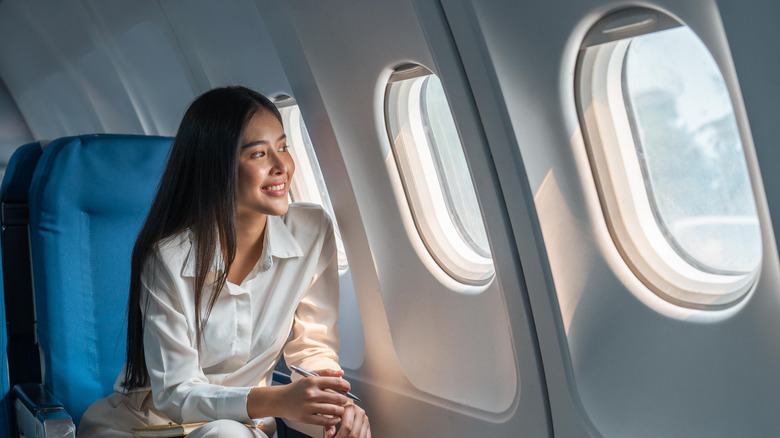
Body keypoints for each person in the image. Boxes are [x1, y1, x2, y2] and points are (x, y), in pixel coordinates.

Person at [78, 86, 370, 438]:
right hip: (149, 428)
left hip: (239, 428)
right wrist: (277, 400)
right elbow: (175, 393)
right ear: (217, 168)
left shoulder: (312, 232)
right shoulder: (167, 259)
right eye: (259, 154)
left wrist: (334, 405)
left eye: (283, 147)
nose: (281, 166)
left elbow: (313, 345)